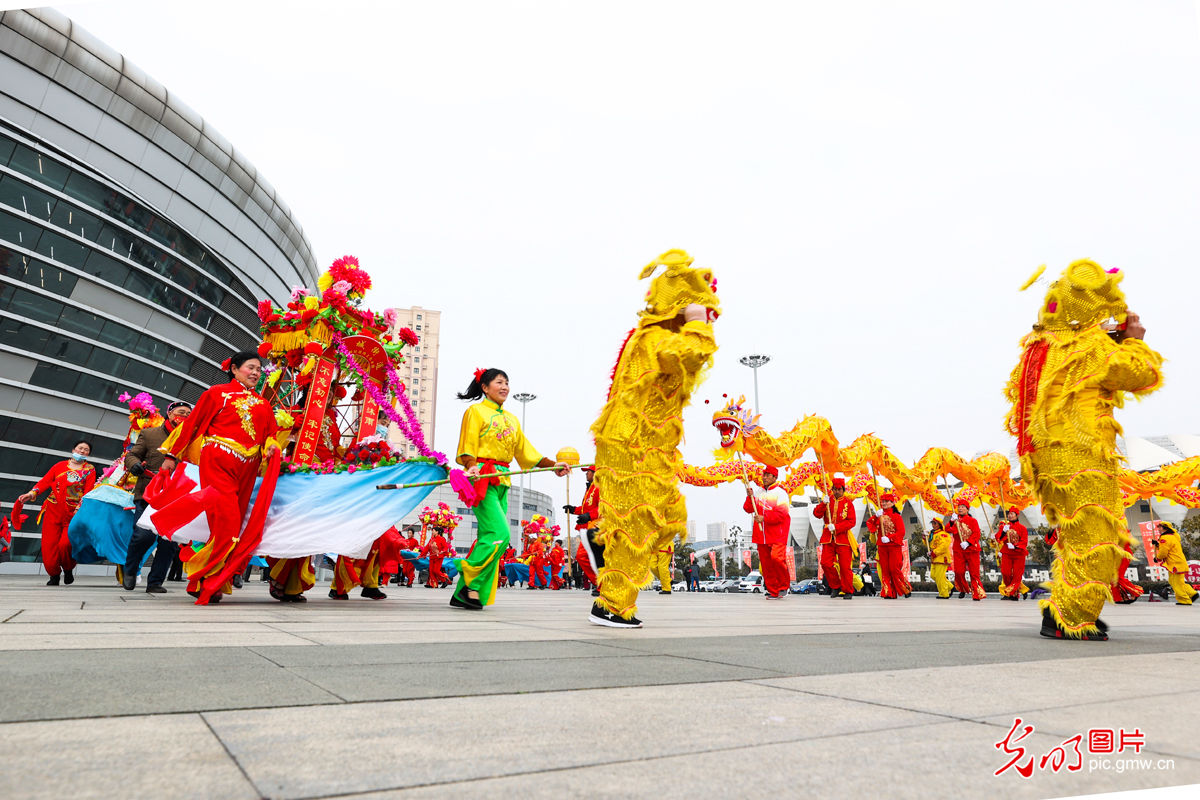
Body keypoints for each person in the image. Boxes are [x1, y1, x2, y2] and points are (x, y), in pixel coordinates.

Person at [1005, 260, 1163, 640]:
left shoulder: (1040, 346)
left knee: (1078, 535)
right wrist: (1134, 338)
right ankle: (1069, 616)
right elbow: (1140, 374)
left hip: (1048, 455)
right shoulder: (1089, 347)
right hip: (1081, 455)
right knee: (1096, 537)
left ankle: (1067, 607)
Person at [589, 251, 719, 627]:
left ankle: (611, 591)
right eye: (699, 309)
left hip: (646, 443)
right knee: (638, 522)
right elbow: (692, 355)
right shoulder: (657, 338)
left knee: (652, 521)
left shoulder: (652, 336)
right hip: (634, 444)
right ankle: (611, 603)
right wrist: (698, 323)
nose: (709, 318)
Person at [158, 351, 281, 605]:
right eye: (251, 367)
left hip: (248, 466)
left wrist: (271, 446)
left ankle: (207, 581)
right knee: (227, 522)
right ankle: (204, 576)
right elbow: (194, 423)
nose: (256, 373)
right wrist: (172, 455)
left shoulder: (264, 404)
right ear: (234, 369)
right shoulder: (216, 393)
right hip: (218, 460)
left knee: (233, 528)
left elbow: (270, 433)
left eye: (259, 369)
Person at [450, 368, 567, 610]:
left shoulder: (512, 419)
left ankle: (464, 592)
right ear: (485, 387)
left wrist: (553, 466)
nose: (505, 387)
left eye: (507, 383)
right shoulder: (475, 411)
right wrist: (471, 465)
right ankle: (470, 585)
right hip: (482, 478)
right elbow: (467, 445)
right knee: (500, 534)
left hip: (503, 481)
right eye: (499, 382)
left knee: (496, 540)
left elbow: (525, 452)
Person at [121, 401, 192, 593]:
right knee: (142, 536)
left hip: (176, 496)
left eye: (188, 413)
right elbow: (131, 455)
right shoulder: (150, 434)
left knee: (168, 542)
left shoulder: (193, 439)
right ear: (169, 414)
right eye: (180, 412)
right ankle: (130, 570)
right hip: (148, 492)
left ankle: (155, 582)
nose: (184, 416)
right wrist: (134, 464)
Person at [19, 439, 96, 585]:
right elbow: (45, 482)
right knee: (49, 546)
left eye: (86, 450)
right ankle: (54, 575)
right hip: (53, 509)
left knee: (65, 545)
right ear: (73, 450)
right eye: (80, 448)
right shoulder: (59, 466)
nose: (83, 451)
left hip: (73, 512)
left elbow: (88, 491)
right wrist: (31, 493)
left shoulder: (89, 470)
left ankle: (68, 569)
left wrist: (81, 509)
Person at [744, 465, 791, 599]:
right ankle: (773, 590)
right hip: (761, 534)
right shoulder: (758, 492)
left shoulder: (780, 493)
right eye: (764, 475)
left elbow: (782, 514)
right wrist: (750, 497)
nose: (764, 478)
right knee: (766, 564)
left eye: (767, 475)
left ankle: (783, 586)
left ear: (775, 477)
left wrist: (765, 518)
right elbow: (748, 509)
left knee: (777, 558)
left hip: (777, 533)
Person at [812, 477, 856, 599]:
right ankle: (835, 586)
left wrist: (837, 527)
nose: (836, 491)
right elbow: (816, 514)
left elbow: (852, 522)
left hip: (843, 538)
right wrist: (823, 504)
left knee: (845, 566)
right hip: (827, 537)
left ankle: (847, 590)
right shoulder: (827, 501)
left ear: (843, 490)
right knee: (825, 563)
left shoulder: (848, 503)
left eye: (839, 489)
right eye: (834, 489)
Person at [565, 464, 600, 595]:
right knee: (583, 556)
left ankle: (601, 583)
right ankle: (599, 583)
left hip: (598, 527)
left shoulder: (601, 487)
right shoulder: (590, 489)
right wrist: (573, 509)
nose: (586, 474)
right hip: (589, 527)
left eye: (589, 472)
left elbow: (603, 507)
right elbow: (586, 509)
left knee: (583, 555)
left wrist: (589, 516)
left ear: (596, 473)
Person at [866, 491, 909, 598]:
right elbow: (870, 525)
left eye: (886, 501)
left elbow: (901, 532)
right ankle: (888, 592)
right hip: (882, 546)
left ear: (892, 503)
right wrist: (876, 516)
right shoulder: (880, 515)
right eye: (883, 501)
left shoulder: (896, 516)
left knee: (894, 568)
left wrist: (889, 538)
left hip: (894, 545)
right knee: (885, 570)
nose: (884, 503)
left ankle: (905, 588)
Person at [946, 501, 985, 600]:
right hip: (959, 550)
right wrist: (951, 521)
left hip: (972, 550)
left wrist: (968, 542)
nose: (960, 509)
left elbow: (976, 533)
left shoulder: (972, 521)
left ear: (967, 509)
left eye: (963, 507)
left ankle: (977, 594)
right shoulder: (955, 521)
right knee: (958, 572)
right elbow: (947, 529)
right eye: (959, 507)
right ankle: (963, 589)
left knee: (974, 573)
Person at [1153, 521, 1197, 606]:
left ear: (1164, 528)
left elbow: (1163, 552)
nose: (1158, 529)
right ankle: (1192, 593)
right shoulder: (1172, 536)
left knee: (1176, 583)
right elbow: (1168, 547)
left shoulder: (1165, 538)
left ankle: (1185, 600)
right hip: (1177, 562)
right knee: (1176, 582)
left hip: (1174, 563)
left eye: (1159, 527)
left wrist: (1157, 558)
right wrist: (1158, 545)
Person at [997, 507, 1029, 601]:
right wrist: (1003, 532)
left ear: (1016, 515)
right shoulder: (1005, 527)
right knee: (1005, 572)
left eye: (1012, 514)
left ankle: (1011, 594)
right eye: (1009, 514)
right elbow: (999, 538)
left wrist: (1015, 546)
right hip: (1007, 552)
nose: (1010, 515)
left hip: (1019, 554)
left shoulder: (1022, 528)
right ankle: (1014, 592)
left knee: (1016, 575)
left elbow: (1024, 541)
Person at [928, 518, 954, 599]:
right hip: (934, 558)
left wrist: (934, 552)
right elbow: (928, 544)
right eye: (932, 523)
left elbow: (944, 546)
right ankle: (949, 586)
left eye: (935, 523)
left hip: (942, 558)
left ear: (939, 524)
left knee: (940, 577)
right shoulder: (932, 534)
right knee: (933, 575)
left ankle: (944, 594)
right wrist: (924, 537)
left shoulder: (944, 534)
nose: (933, 525)